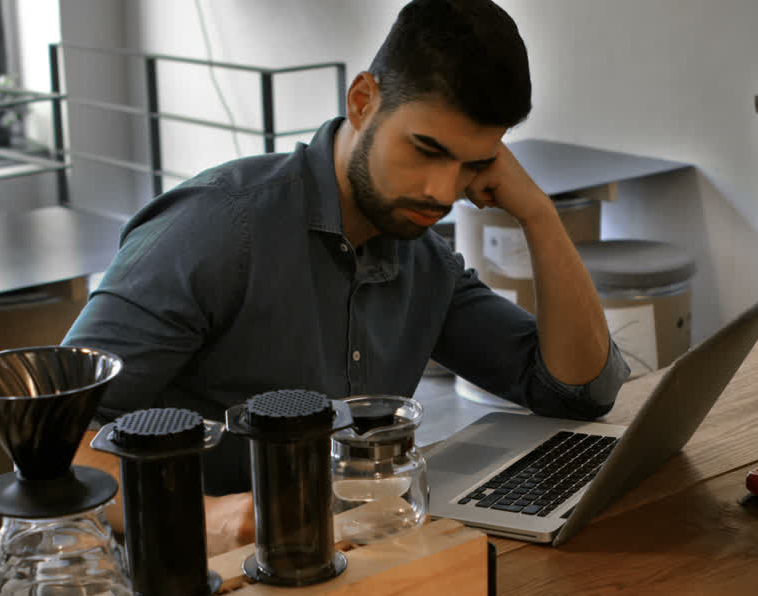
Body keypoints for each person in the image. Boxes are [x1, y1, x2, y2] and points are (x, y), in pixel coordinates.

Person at [63, 0, 630, 554]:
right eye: (426, 149)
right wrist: (217, 517)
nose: (441, 191)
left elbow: (578, 391)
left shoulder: (424, 260)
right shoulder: (216, 229)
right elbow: (56, 440)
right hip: (188, 582)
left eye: (473, 163)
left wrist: (538, 214)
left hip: (345, 566)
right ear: (363, 101)